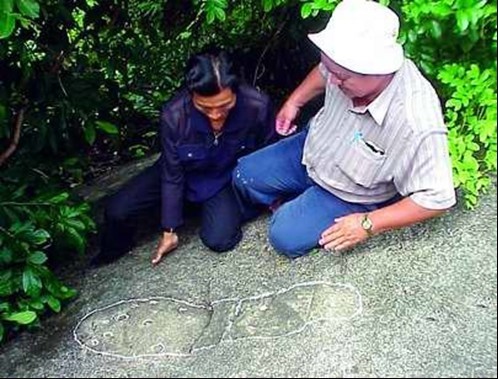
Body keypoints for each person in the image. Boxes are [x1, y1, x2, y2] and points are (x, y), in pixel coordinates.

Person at [233, 0, 456, 258]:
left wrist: (367, 223)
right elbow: (323, 72)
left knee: (284, 236)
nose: (332, 79)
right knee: (244, 175)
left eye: (341, 76)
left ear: (376, 70)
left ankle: (303, 205)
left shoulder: (415, 119)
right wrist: (295, 101)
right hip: (314, 147)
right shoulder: (340, 68)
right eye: (330, 68)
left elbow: (438, 198)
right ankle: (296, 198)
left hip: (352, 191)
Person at [91, 50, 276, 267]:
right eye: (205, 107)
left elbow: (268, 154)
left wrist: (271, 199)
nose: (215, 115)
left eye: (224, 106)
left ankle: (214, 209)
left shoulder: (257, 106)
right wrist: (169, 229)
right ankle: (112, 255)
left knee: (219, 239)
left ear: (237, 91)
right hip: (180, 171)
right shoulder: (174, 115)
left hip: (222, 178)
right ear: (191, 94)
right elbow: (171, 174)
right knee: (117, 210)